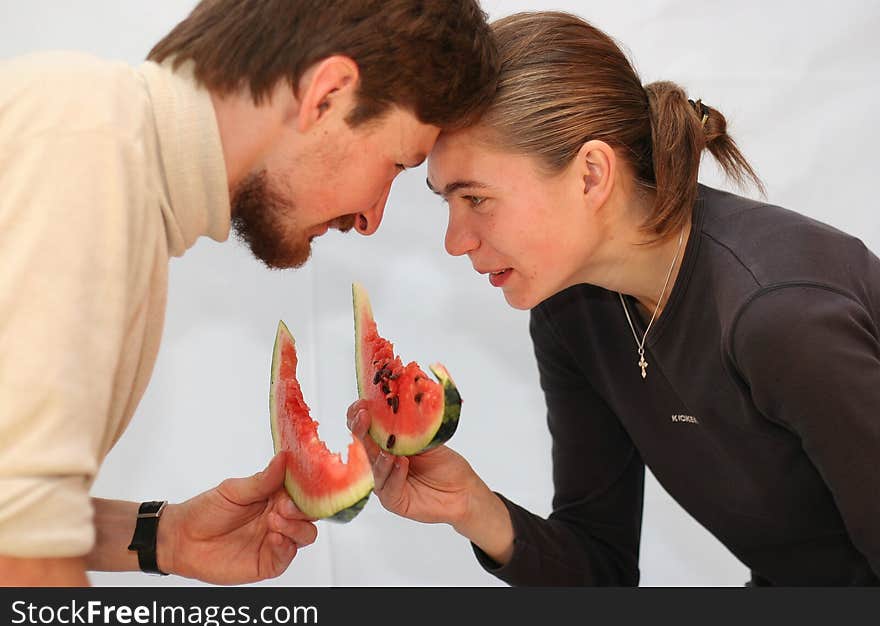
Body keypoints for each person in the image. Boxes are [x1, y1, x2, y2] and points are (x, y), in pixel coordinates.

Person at [348, 10, 880, 586]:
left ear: (591, 175)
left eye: (475, 198)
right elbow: (602, 566)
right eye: (444, 202)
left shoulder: (779, 315)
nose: (455, 242)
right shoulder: (570, 312)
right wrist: (474, 510)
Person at [0, 0, 498, 586]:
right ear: (328, 95)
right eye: (396, 164)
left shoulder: (103, 149)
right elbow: (23, 556)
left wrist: (168, 536)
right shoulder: (90, 155)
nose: (371, 218)